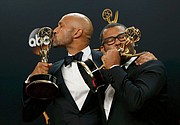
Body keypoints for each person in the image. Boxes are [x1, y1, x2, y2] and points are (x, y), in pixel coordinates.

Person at [22, 13, 159, 125]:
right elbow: (29, 114)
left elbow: (133, 90)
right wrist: (31, 81)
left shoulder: (109, 61)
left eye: (60, 26)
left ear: (77, 32)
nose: (54, 30)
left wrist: (144, 56)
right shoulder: (52, 71)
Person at [99, 23, 169, 125]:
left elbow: (136, 102)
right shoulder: (103, 73)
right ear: (102, 49)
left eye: (122, 37)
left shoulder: (151, 66)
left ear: (132, 40)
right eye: (110, 41)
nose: (117, 42)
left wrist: (114, 67)